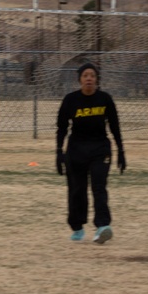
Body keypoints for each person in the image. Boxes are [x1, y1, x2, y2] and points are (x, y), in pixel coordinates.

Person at [56, 63, 126, 244]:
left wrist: (121, 150)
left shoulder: (105, 99)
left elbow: (115, 127)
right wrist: (59, 152)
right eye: (85, 75)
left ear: (96, 80)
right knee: (77, 190)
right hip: (76, 150)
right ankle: (77, 227)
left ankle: (102, 227)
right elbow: (62, 128)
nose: (89, 78)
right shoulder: (70, 100)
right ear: (79, 79)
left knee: (99, 186)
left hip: (99, 149)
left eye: (92, 76)